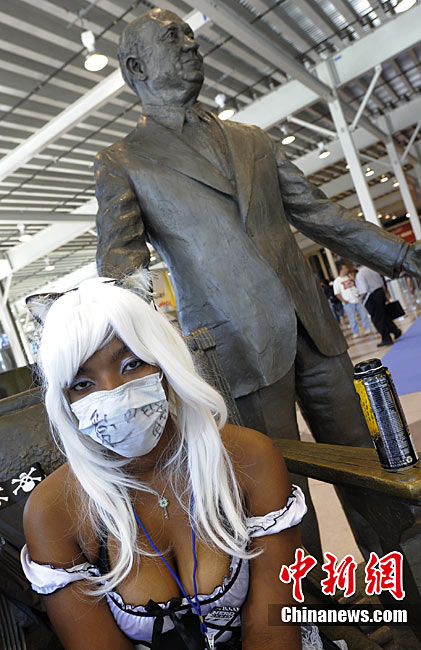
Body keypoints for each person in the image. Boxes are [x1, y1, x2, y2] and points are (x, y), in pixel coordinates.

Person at [94, 7, 421, 558]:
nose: (192, 44)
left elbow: (321, 215)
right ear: (136, 67)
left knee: (372, 467)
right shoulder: (122, 161)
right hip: (235, 352)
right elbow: (123, 269)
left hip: (315, 331)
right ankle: (314, 607)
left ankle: (400, 587)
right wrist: (135, 364)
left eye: (192, 34)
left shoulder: (252, 139)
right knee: (279, 496)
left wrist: (405, 255)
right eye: (173, 37)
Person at [20, 273, 328, 650]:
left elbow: (273, 628)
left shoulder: (248, 459)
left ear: (165, 364)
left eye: (132, 364)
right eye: (82, 384)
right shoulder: (54, 510)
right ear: (65, 402)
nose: (115, 394)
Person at [354, 263, 401, 347]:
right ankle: (395, 330)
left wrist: (360, 298)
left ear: (355, 266)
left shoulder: (360, 274)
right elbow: (381, 282)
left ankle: (386, 338)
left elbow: (364, 289)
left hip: (371, 297)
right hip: (380, 292)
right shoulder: (372, 269)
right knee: (384, 315)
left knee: (377, 319)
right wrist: (385, 294)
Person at [333, 262, 371, 338]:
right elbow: (337, 293)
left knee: (363, 315)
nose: (347, 269)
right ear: (341, 270)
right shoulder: (337, 281)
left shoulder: (349, 277)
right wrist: (344, 301)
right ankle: (355, 332)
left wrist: (353, 279)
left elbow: (358, 285)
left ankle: (367, 328)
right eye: (345, 268)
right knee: (352, 318)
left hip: (357, 299)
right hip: (348, 302)